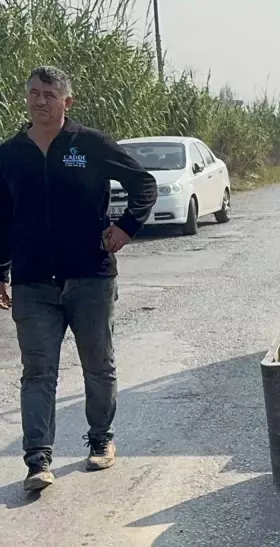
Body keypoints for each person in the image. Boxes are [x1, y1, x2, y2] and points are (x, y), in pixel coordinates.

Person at [0, 66, 157, 492]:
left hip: (90, 276)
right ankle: (38, 461)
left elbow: (143, 183)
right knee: (37, 373)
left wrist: (126, 228)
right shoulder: (10, 153)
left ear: (67, 102)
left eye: (50, 94)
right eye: (33, 93)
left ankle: (101, 440)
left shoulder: (88, 144)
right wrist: (1, 271)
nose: (40, 101)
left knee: (98, 365)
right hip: (33, 282)